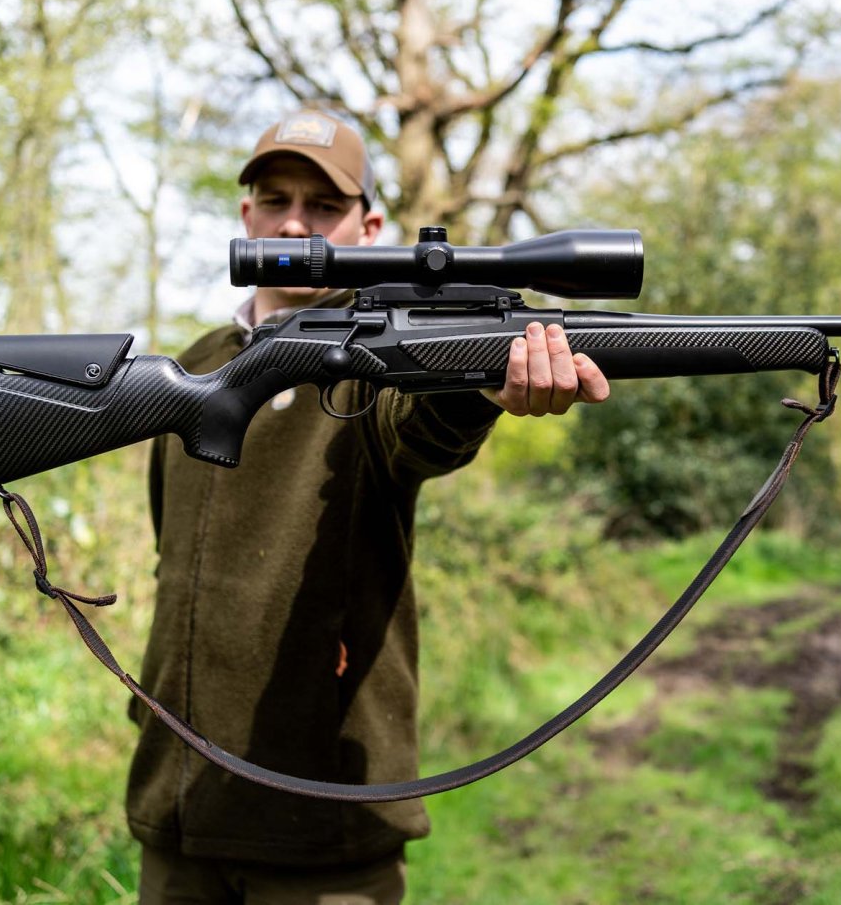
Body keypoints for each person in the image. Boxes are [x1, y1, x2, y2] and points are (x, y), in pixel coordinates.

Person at [127, 110, 610, 904]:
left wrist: (477, 385)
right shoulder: (191, 373)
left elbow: (421, 433)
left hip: (328, 828)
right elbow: (167, 566)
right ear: (245, 216)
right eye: (275, 199)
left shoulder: (380, 368)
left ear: (370, 227)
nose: (294, 222)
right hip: (177, 812)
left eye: (324, 207)